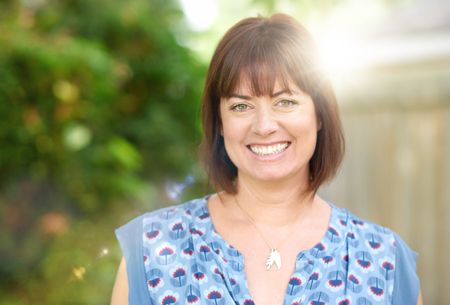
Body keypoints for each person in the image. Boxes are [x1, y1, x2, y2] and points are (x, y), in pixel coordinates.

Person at [110, 13, 422, 305]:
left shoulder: (384, 262)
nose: (264, 126)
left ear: (319, 115)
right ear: (219, 122)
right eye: (241, 106)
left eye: (285, 101)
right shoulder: (151, 250)